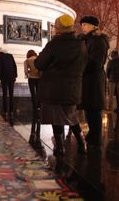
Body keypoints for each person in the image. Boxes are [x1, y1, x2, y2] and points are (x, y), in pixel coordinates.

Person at [34, 14, 88, 155]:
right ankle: (82, 143)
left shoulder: (54, 44)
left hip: (54, 88)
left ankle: (60, 147)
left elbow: (39, 63)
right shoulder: (81, 45)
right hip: (73, 88)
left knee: (55, 117)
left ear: (58, 28)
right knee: (72, 116)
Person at [79, 15, 110, 148]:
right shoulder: (88, 39)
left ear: (93, 26)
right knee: (89, 108)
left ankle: (95, 138)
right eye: (81, 25)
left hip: (94, 78)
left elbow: (95, 62)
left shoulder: (98, 40)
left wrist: (80, 70)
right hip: (89, 77)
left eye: (85, 24)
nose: (82, 27)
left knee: (94, 109)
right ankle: (92, 135)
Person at [0, 47, 17, 123]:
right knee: (11, 94)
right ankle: (11, 111)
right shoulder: (10, 55)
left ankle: (5, 111)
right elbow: (14, 66)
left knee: (5, 94)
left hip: (4, 77)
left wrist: (0, 76)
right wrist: (15, 75)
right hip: (12, 77)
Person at [24, 49, 41, 145]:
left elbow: (26, 72)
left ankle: (35, 108)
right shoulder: (38, 59)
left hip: (31, 79)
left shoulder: (27, 61)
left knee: (33, 94)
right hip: (39, 78)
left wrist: (29, 73)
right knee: (38, 94)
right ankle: (39, 107)